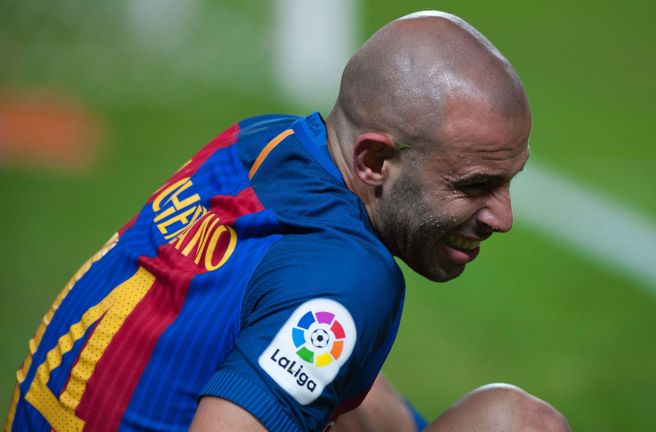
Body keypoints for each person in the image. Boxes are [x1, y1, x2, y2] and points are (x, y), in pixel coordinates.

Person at [6, 11, 569, 432]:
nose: (504, 217)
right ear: (374, 161)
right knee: (516, 424)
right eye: (474, 185)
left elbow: (310, 350)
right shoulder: (347, 274)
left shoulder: (260, 142)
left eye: (509, 181)